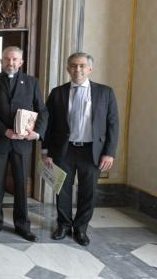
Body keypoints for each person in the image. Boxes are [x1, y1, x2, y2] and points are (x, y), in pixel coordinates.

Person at [43, 52, 118, 246]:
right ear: (68, 69)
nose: (78, 69)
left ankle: (81, 228)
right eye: (74, 66)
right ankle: (64, 225)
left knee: (88, 192)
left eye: (82, 66)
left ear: (90, 69)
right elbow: (48, 125)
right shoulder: (57, 93)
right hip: (64, 151)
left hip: (92, 151)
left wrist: (109, 152)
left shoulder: (105, 92)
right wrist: (46, 151)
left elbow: (113, 125)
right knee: (63, 190)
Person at [0, 46, 47, 242]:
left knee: (20, 184)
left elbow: (42, 110)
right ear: (1, 61)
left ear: (21, 62)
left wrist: (36, 133)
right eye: (7, 59)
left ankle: (22, 226)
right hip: (1, 140)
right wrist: (5, 130)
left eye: (15, 59)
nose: (11, 63)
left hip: (23, 143)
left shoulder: (32, 83)